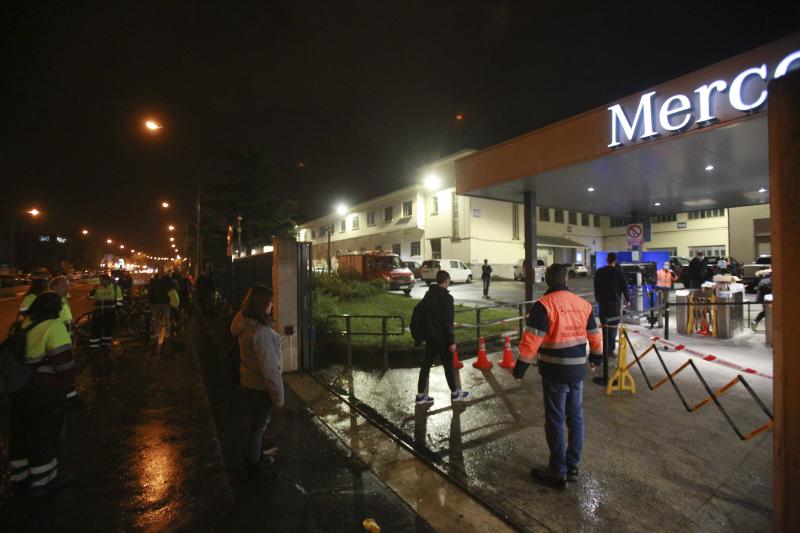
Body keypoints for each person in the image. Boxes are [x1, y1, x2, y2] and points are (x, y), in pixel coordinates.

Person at [512, 264, 603, 490]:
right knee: (575, 418)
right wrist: (597, 358)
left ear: (546, 280)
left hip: (554, 372)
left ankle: (557, 471)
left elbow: (532, 340)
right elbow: (595, 334)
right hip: (577, 371)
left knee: (555, 419)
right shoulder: (583, 304)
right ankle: (572, 467)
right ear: (567, 280)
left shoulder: (544, 306)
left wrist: (520, 368)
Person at [8, 292, 76, 496]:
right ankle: (43, 479)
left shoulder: (22, 325)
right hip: (44, 391)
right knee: (43, 433)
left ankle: (19, 478)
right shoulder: (54, 327)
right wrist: (67, 386)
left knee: (20, 433)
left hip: (19, 389)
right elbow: (64, 363)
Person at [230, 285, 284, 482]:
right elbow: (269, 369)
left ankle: (252, 457)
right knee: (257, 429)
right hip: (260, 388)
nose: (272, 305)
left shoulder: (245, 324)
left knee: (253, 427)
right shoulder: (260, 332)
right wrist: (278, 397)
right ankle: (253, 467)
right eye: (270, 302)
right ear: (261, 304)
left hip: (247, 382)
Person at [415, 270, 471, 405]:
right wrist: (451, 341)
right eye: (448, 281)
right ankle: (455, 394)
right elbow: (448, 321)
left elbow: (420, 312)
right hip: (443, 339)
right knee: (448, 366)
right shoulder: (447, 298)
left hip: (430, 338)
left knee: (426, 366)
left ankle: (420, 396)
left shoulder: (429, 294)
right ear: (446, 281)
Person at [593, 253, 630, 356]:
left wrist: (598, 299)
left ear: (606, 259)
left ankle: (605, 349)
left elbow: (596, 286)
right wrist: (628, 300)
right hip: (614, 303)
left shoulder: (599, 272)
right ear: (615, 260)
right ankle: (610, 350)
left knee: (605, 327)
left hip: (603, 303)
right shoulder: (619, 272)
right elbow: (624, 287)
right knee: (613, 328)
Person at [49, 276, 78, 401]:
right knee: (61, 368)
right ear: (54, 287)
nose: (67, 287)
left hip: (67, 340)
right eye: (64, 285)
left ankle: (67, 393)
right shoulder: (50, 302)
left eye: (68, 285)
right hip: (57, 343)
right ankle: (65, 396)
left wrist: (74, 338)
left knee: (68, 367)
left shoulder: (64, 300)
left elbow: (69, 319)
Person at [88, 274, 123, 354]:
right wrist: (93, 290)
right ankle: (94, 347)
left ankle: (106, 345)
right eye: (100, 280)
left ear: (107, 280)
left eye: (102, 280)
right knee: (95, 330)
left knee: (108, 330)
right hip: (97, 313)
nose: (100, 282)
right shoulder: (97, 288)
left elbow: (119, 300)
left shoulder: (115, 288)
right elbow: (90, 298)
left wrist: (116, 311)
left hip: (109, 313)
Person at [148, 272, 174, 346]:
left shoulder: (166, 280)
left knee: (166, 318)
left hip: (164, 302)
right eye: (160, 269)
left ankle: (167, 333)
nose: (161, 272)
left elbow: (172, 288)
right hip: (157, 302)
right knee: (156, 318)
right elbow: (151, 291)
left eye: (161, 269)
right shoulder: (155, 280)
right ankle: (157, 332)